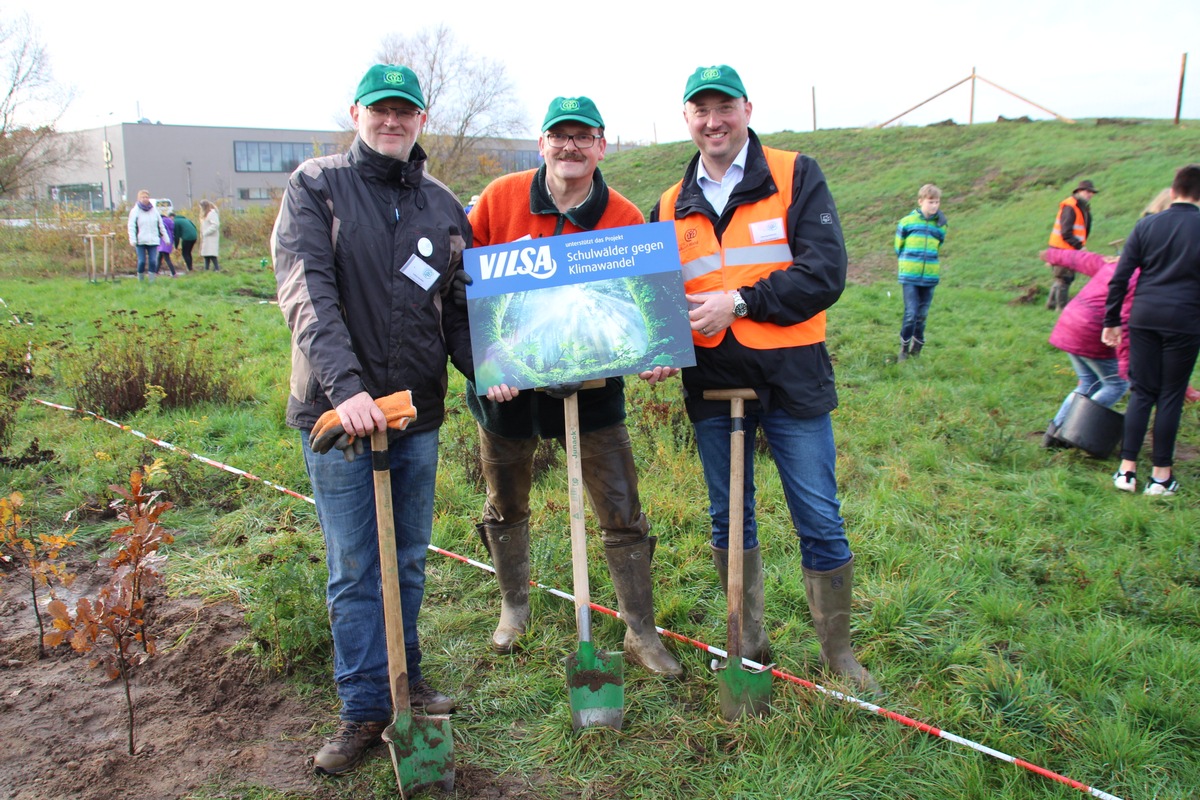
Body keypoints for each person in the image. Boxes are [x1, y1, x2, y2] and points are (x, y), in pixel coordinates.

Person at [649, 65, 877, 693]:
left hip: (793, 377)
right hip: (713, 385)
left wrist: (742, 302)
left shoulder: (794, 174)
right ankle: (745, 643)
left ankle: (838, 654)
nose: (713, 121)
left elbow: (824, 272)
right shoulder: (670, 204)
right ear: (687, 117)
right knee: (730, 517)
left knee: (819, 515)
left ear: (747, 109)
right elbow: (664, 299)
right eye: (701, 109)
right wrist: (662, 345)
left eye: (725, 107)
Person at [272, 63, 473, 775]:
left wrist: (496, 374)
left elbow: (458, 313)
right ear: (357, 112)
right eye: (381, 110)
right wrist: (346, 390)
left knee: (409, 558)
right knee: (357, 565)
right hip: (338, 416)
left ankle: (406, 680)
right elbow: (306, 294)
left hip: (413, 416)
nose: (393, 121)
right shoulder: (316, 188)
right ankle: (364, 708)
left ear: (422, 119)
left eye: (406, 111)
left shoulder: (444, 206)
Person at [464, 96, 683, 678]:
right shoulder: (499, 200)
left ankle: (640, 629)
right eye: (558, 136)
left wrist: (658, 355)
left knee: (620, 503)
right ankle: (514, 605)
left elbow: (650, 305)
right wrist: (488, 359)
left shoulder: (627, 217)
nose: (570, 147)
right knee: (506, 496)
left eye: (582, 136)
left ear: (601, 146)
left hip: (591, 389)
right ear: (542, 145)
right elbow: (463, 285)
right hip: (509, 389)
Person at [1103, 164, 1200, 496]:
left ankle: (1126, 471)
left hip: (1144, 317)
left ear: (1173, 191)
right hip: (1186, 320)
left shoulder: (1147, 225)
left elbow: (1120, 277)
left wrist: (1111, 320)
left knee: (1142, 392)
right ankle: (1160, 478)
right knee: (1171, 395)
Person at [894, 183, 947, 361]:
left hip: (930, 277)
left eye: (937, 202)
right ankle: (903, 349)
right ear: (921, 201)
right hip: (910, 276)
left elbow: (939, 245)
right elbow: (898, 247)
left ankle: (917, 349)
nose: (934, 206)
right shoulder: (906, 222)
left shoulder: (941, 225)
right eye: (931, 202)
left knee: (922, 315)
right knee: (911, 313)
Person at [1046, 179, 1099, 310]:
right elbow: (1066, 232)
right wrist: (1079, 246)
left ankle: (1051, 305)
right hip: (1064, 248)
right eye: (1088, 191)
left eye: (1092, 192)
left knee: (1060, 278)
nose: (1090, 194)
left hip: (1065, 248)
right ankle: (1062, 309)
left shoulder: (1080, 206)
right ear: (1079, 191)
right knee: (1065, 279)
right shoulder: (1071, 207)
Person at [127, 189, 168, 281]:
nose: (145, 199)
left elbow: (160, 225)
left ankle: (151, 281)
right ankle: (140, 279)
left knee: (153, 261)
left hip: (153, 240)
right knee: (141, 261)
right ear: (139, 199)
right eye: (143, 197)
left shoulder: (154, 211)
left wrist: (166, 238)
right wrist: (132, 239)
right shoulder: (135, 211)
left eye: (146, 197)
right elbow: (131, 226)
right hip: (140, 240)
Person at [200, 199, 221, 270]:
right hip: (207, 237)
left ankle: (216, 268)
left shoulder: (212, 213)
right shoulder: (207, 214)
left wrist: (206, 232)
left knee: (211, 254)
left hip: (211, 237)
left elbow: (215, 225)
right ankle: (206, 269)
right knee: (206, 254)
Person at [158, 211, 178, 277]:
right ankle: (156, 271)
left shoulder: (161, 222)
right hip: (169, 242)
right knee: (159, 257)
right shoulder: (170, 222)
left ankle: (174, 273)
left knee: (167, 258)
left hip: (162, 243)